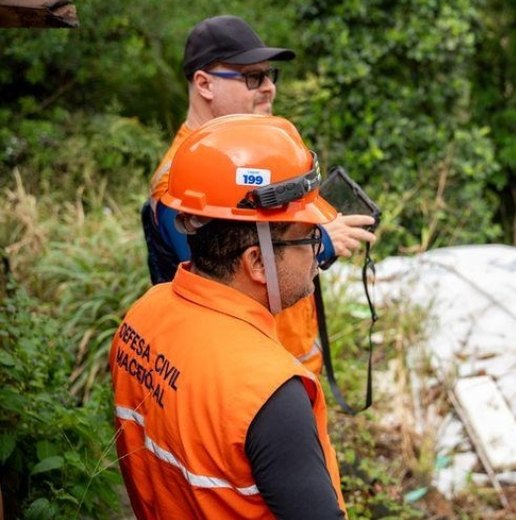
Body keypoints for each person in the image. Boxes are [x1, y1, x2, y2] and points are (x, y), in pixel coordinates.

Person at [113, 115, 346, 518]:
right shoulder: (270, 393)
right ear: (257, 261)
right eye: (309, 237)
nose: (317, 254)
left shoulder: (143, 314)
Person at [142, 14, 376, 373]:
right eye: (253, 76)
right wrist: (320, 243)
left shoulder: (243, 155)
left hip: (286, 362)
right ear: (204, 84)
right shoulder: (180, 180)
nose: (269, 87)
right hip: (247, 375)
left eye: (270, 75)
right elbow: (221, 282)